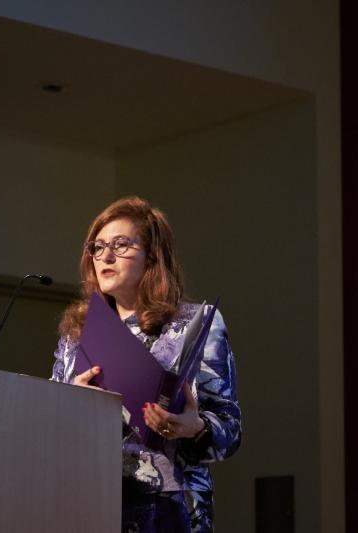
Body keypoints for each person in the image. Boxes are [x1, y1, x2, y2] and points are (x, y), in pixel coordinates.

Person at [51, 196, 241, 532]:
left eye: (121, 245)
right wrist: (71, 404)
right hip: (93, 499)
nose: (106, 256)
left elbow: (231, 431)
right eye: (98, 247)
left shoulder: (195, 324)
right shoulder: (77, 334)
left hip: (169, 507)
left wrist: (194, 427)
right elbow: (48, 424)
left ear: (152, 256)